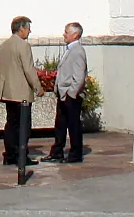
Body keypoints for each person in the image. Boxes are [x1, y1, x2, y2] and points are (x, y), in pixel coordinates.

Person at [0, 16, 42, 184]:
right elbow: (29, 69)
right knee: (23, 126)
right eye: (28, 28)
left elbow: (0, 66)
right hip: (21, 92)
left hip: (7, 90)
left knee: (11, 124)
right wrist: (38, 87)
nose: (29, 31)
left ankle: (10, 155)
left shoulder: (4, 45)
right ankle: (21, 156)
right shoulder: (23, 46)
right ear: (21, 29)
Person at [46, 23, 86, 164]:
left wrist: (71, 93)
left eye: (66, 32)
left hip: (70, 95)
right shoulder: (70, 49)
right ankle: (57, 152)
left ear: (75, 35)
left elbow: (79, 76)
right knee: (60, 124)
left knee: (73, 125)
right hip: (63, 94)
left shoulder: (77, 51)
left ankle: (75, 154)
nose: (64, 34)